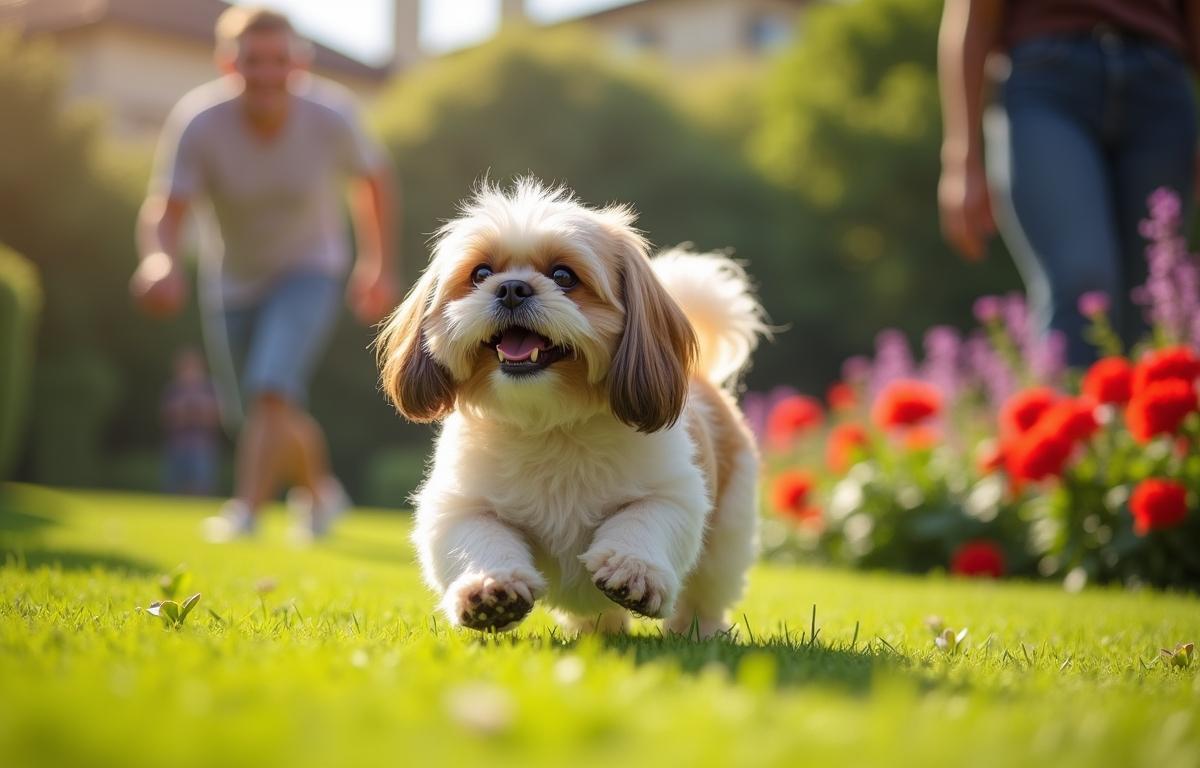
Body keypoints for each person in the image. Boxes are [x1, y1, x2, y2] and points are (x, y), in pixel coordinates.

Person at [129, 6, 399, 540]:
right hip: (233, 280)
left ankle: (246, 512)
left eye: (280, 60)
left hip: (311, 269)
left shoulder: (332, 115)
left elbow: (374, 180)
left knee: (270, 388)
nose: (268, 73)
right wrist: (159, 260)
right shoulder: (199, 121)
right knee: (259, 411)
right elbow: (167, 207)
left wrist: (379, 264)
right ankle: (320, 492)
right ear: (229, 64)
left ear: (299, 63)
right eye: (254, 61)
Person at [938, 0, 1197, 365]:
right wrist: (962, 158)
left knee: (1154, 299)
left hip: (1161, 86)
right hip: (1046, 82)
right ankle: (1075, 399)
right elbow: (973, 14)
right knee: (1081, 279)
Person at [161, 348, 221, 497]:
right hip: (177, 447)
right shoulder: (174, 389)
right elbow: (168, 417)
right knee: (174, 488)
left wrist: (189, 412)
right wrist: (193, 412)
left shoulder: (210, 388)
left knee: (201, 488)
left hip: (202, 447)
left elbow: (216, 416)